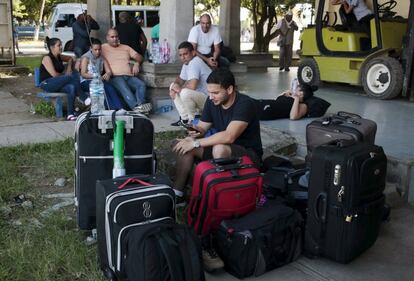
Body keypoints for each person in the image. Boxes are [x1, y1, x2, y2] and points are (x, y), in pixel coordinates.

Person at [172, 68, 262, 271]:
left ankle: (221, 198)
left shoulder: (245, 104)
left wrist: (198, 144)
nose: (210, 97)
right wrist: (192, 134)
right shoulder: (213, 102)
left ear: (230, 89)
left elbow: (229, 136)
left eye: (215, 93)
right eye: (209, 92)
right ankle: (176, 195)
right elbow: (203, 128)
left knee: (219, 147)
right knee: (183, 146)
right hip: (224, 151)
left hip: (248, 157)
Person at [102, 28, 151, 114]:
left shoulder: (126, 47)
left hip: (129, 76)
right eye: (112, 37)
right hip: (115, 77)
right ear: (107, 38)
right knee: (125, 89)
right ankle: (136, 108)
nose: (115, 39)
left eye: (116, 36)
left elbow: (140, 57)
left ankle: (140, 106)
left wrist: (136, 64)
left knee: (141, 84)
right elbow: (91, 53)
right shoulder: (103, 48)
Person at [39, 37, 84, 121]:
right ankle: (83, 96)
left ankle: (70, 114)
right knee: (71, 76)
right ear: (52, 47)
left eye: (61, 45)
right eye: (58, 45)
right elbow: (55, 75)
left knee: (71, 87)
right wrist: (66, 74)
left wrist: (69, 67)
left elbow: (71, 58)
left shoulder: (59, 56)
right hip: (47, 84)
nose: (61, 47)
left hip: (59, 83)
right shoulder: (47, 58)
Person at [169, 41, 212, 126]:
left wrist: (179, 88)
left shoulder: (195, 62)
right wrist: (175, 86)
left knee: (185, 92)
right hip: (200, 98)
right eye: (180, 55)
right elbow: (180, 79)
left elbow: (192, 86)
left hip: (210, 100)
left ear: (193, 53)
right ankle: (184, 120)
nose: (183, 57)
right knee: (173, 86)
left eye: (185, 54)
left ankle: (193, 121)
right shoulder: (187, 63)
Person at [80, 38, 123, 110]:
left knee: (110, 88)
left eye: (99, 49)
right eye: (95, 50)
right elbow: (83, 74)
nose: (98, 52)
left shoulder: (102, 57)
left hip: (99, 81)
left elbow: (109, 71)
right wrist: (95, 76)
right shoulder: (86, 58)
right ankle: (112, 109)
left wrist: (108, 74)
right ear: (91, 48)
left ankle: (119, 108)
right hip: (86, 82)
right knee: (101, 88)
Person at [256, 83, 331, 120]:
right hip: (265, 103)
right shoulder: (291, 96)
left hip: (266, 111)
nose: (294, 91)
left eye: (296, 90)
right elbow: (276, 101)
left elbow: (293, 117)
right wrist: (284, 93)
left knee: (248, 109)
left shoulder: (303, 105)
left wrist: (296, 99)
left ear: (301, 93)